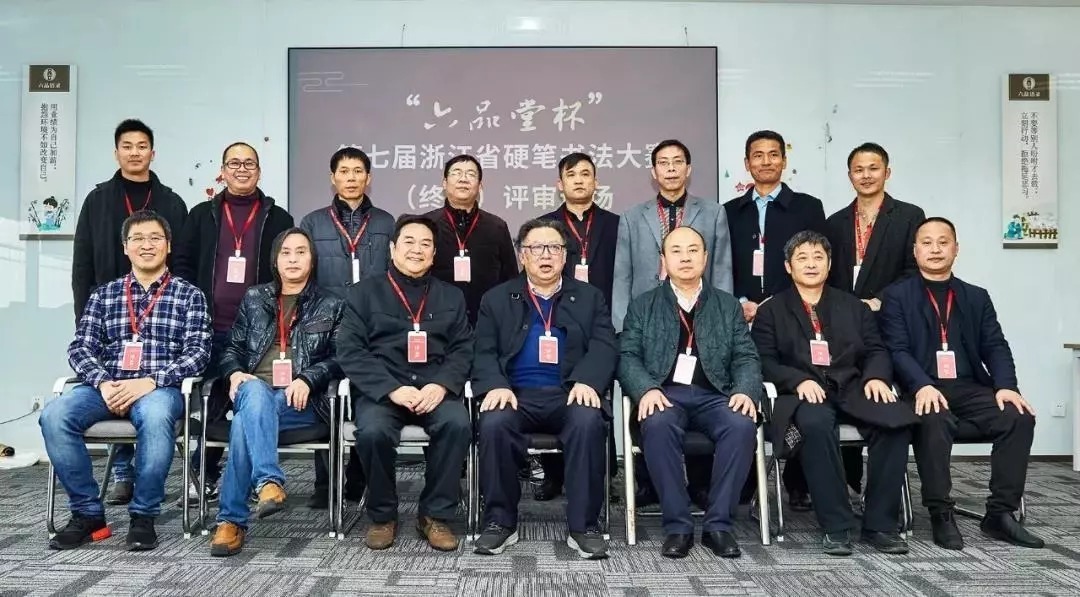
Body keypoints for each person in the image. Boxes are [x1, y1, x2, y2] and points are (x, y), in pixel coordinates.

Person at [40, 210, 211, 551]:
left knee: (156, 416)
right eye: (138, 239)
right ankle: (88, 515)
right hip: (108, 387)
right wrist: (103, 382)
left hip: (159, 390)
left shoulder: (189, 295)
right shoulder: (104, 295)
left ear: (168, 245)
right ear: (125, 247)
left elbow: (199, 353)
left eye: (155, 238)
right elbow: (80, 347)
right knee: (54, 415)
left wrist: (151, 381)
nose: (147, 245)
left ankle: (143, 516)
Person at [880, 217, 1044, 550]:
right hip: (921, 388)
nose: (935, 249)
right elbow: (896, 350)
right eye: (927, 242)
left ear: (956, 249)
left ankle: (1000, 513)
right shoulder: (897, 296)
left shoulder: (975, 296)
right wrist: (922, 384)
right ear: (915, 250)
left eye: (943, 242)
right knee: (933, 417)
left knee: (1018, 416)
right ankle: (941, 512)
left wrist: (1006, 386)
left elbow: (995, 345)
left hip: (969, 388)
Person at [751, 230, 917, 555]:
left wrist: (876, 377)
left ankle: (880, 523)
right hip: (801, 395)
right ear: (788, 266)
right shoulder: (771, 311)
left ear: (829, 264)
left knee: (896, 422)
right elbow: (763, 360)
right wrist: (797, 380)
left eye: (818, 257)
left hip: (852, 387)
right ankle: (837, 525)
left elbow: (877, 349)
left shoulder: (854, 306)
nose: (811, 264)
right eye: (802, 258)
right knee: (815, 425)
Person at [471, 219, 617, 559]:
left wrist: (587, 380)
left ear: (565, 256)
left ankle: (584, 526)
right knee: (494, 423)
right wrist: (495, 385)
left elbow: (605, 345)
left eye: (554, 247)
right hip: (515, 394)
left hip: (569, 392)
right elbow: (482, 350)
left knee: (588, 421)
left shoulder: (589, 297)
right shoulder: (497, 298)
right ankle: (499, 523)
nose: (546, 255)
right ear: (523, 256)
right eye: (536, 248)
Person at [618, 226, 760, 559]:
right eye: (676, 251)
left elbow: (746, 356)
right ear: (663, 260)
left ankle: (718, 526)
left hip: (715, 395)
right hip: (665, 394)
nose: (685, 257)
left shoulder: (726, 305)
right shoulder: (643, 305)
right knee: (657, 424)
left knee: (741, 425)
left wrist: (745, 390)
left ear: (705, 258)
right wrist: (645, 389)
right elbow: (627, 356)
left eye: (693, 250)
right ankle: (678, 526)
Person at [70, 119, 189, 506]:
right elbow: (82, 264)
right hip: (112, 316)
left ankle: (143, 476)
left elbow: (183, 261)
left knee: (150, 399)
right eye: (127, 146)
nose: (135, 152)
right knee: (114, 385)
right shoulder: (98, 200)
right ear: (116, 152)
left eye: (142, 146)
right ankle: (123, 472)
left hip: (161, 313)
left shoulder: (171, 202)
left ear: (153, 153)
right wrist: (84, 317)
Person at [337, 215, 473, 552]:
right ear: (393, 249)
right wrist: (392, 389)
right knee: (372, 432)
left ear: (434, 253)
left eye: (425, 244)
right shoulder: (363, 294)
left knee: (457, 423)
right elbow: (351, 351)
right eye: (409, 242)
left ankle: (435, 515)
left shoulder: (452, 296)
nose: (417, 250)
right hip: (385, 391)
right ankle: (383, 516)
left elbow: (463, 348)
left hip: (434, 389)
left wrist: (442, 385)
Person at [612, 139, 733, 509]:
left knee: (702, 387)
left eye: (677, 161)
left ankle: (700, 485)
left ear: (688, 169)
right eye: (663, 163)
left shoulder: (712, 212)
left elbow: (721, 269)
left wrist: (722, 320)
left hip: (700, 317)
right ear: (653, 172)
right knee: (649, 399)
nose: (670, 168)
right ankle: (647, 483)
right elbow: (622, 275)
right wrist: (622, 327)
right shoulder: (632, 216)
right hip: (648, 324)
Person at [209, 228, 344, 557]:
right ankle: (268, 482)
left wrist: (308, 378)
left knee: (244, 423)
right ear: (275, 260)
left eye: (301, 252)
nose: (293, 259)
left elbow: (342, 357)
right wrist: (234, 372)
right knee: (255, 393)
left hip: (302, 402)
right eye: (286, 252)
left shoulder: (332, 304)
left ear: (312, 259)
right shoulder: (254, 298)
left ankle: (231, 520)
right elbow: (232, 349)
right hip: (254, 390)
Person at [173, 141, 294, 505]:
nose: (242, 169)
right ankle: (206, 474)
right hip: (210, 328)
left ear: (259, 170)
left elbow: (285, 273)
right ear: (222, 171)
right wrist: (193, 310)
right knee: (213, 402)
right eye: (234, 163)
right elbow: (182, 264)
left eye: (249, 163)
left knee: (248, 399)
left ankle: (248, 480)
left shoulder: (278, 218)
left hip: (258, 334)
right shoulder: (201, 215)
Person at [723, 129, 827, 511]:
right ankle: (744, 480)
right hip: (739, 316)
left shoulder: (807, 207)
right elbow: (722, 265)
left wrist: (773, 304)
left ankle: (799, 482)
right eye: (758, 155)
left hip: (791, 316)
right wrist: (740, 302)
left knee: (796, 389)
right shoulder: (730, 211)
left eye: (773, 154)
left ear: (784, 160)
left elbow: (814, 263)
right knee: (741, 389)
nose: (765, 161)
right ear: (746, 163)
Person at [825, 142, 926, 498]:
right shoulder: (836, 222)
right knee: (845, 394)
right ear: (849, 175)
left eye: (873, 168)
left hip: (888, 322)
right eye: (858, 169)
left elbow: (914, 270)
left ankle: (882, 488)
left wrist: (880, 300)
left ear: (887, 172)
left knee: (881, 398)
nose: (866, 175)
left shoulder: (909, 216)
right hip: (843, 327)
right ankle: (849, 479)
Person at [298, 146, 394, 508]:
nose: (350, 178)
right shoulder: (312, 222)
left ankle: (358, 477)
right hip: (325, 323)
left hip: (374, 324)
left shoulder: (386, 222)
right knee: (326, 397)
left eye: (357, 171)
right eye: (343, 171)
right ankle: (325, 484)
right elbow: (304, 275)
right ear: (332, 177)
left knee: (366, 397)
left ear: (368, 178)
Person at [535, 152, 620, 502]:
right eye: (572, 175)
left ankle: (604, 475)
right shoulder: (545, 226)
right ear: (560, 184)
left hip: (601, 320)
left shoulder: (616, 224)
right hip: (555, 321)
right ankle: (553, 476)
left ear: (596, 182)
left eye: (586, 174)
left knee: (596, 395)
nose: (580, 180)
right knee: (550, 390)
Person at [423, 154, 518, 325]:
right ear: (444, 183)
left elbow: (510, 279)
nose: (463, 179)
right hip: (436, 320)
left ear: (480, 186)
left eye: (471, 174)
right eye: (456, 173)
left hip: (486, 320)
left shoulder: (497, 226)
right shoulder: (426, 225)